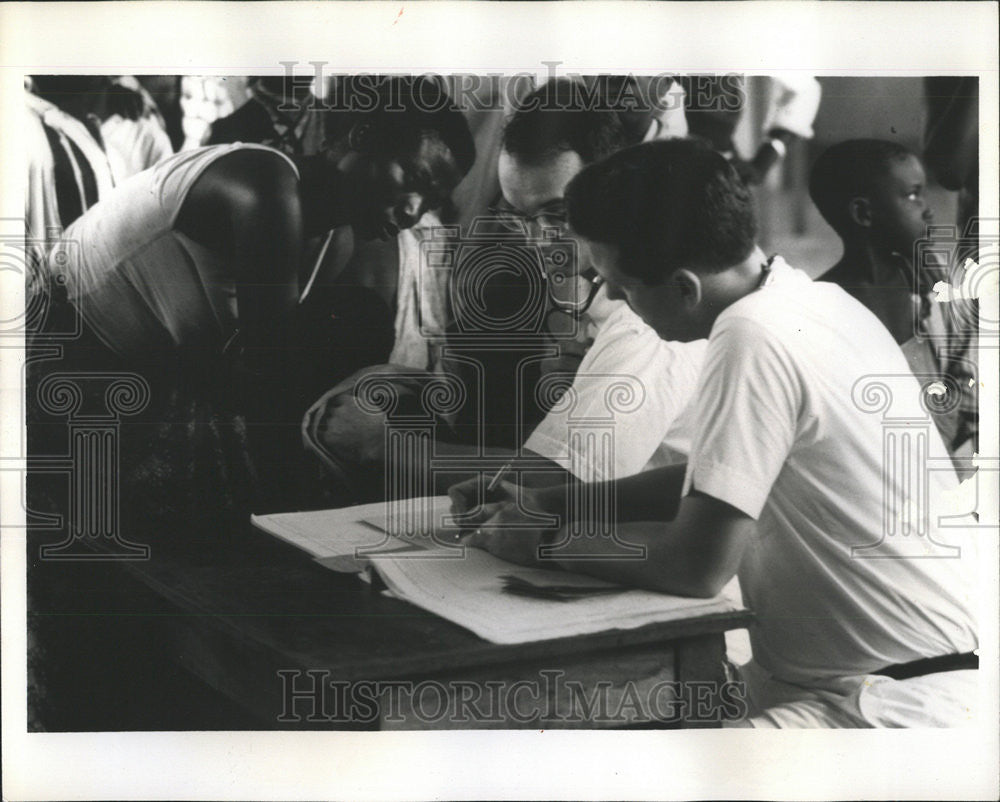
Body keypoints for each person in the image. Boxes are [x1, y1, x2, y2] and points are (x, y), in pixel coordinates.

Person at [451, 138, 978, 728]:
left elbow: (695, 569)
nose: (612, 298)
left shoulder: (752, 332)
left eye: (617, 282)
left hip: (885, 701)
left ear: (683, 287)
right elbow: (723, 474)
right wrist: (551, 502)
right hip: (874, 675)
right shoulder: (818, 301)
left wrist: (543, 541)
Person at [33, 76, 475, 514]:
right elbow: (270, 379)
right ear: (363, 137)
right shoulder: (263, 182)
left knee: (356, 325)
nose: (414, 211)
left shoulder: (336, 238)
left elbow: (265, 374)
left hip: (152, 379)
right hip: (70, 371)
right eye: (413, 177)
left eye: (432, 199)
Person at [303, 80, 707, 494]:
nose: (537, 240)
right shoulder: (576, 294)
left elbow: (554, 477)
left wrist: (381, 444)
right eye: (519, 217)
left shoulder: (648, 312)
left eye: (556, 214)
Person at [808, 139, 974, 458]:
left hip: (949, 456)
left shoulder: (929, 284)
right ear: (863, 213)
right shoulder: (825, 304)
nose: (928, 209)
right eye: (912, 195)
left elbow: (963, 372)